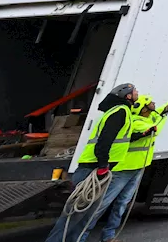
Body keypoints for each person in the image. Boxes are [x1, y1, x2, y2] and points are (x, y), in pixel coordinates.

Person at [85, 80, 168, 242]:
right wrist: (154, 124)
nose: (154, 103)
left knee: (122, 204)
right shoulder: (136, 122)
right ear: (144, 106)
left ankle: (108, 236)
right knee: (103, 204)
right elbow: (142, 131)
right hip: (122, 170)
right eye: (151, 102)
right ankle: (81, 235)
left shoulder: (151, 118)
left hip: (138, 169)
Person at [44, 83, 141, 242]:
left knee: (86, 215)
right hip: (92, 168)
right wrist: (103, 166)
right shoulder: (120, 112)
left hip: (97, 168)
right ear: (128, 96)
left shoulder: (123, 112)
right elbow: (103, 142)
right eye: (135, 91)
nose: (137, 93)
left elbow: (124, 138)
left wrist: (144, 133)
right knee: (74, 214)